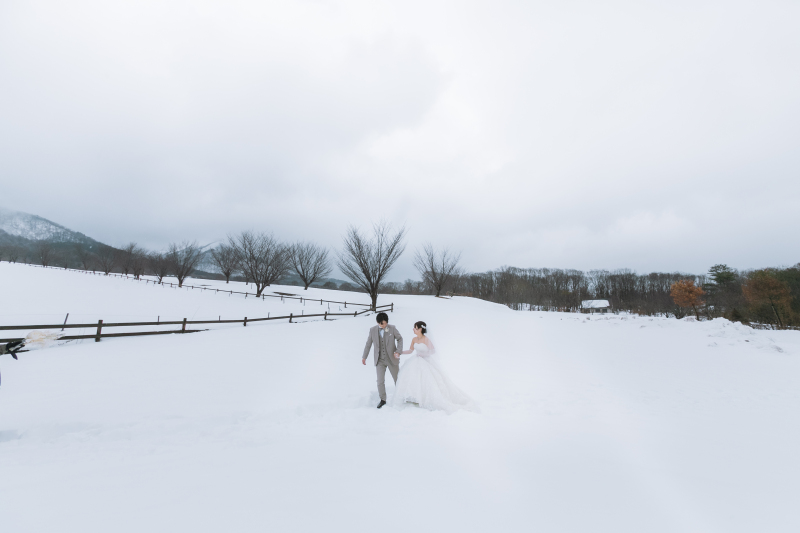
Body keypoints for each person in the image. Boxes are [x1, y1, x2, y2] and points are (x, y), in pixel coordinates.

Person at [390, 321, 477, 413]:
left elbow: (433, 351)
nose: (413, 329)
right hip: (415, 361)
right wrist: (399, 353)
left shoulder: (426, 339)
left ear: (420, 329)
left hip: (426, 362)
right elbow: (410, 351)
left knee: (428, 380)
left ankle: (425, 398)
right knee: (413, 378)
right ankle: (415, 397)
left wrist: (424, 354)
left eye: (415, 328)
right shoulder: (414, 339)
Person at [362, 312, 403, 409]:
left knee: (398, 379)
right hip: (379, 360)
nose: (384, 326)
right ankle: (383, 399)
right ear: (377, 322)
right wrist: (364, 357)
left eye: (385, 323)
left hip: (391, 359)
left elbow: (400, 339)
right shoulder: (372, 330)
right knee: (380, 381)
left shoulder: (392, 328)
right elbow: (368, 344)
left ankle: (401, 397)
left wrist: (398, 351)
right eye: (382, 324)